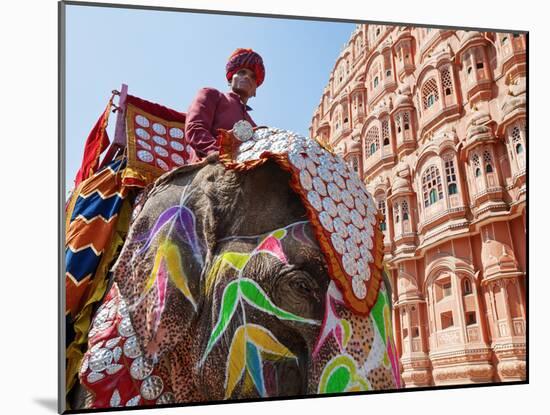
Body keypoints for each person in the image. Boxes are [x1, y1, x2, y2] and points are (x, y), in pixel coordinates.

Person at [184, 48, 265, 158]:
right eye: (242, 72)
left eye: (253, 76)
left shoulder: (256, 127)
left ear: (255, 90)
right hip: (208, 166)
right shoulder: (211, 95)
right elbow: (195, 128)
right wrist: (216, 152)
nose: (247, 77)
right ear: (230, 79)